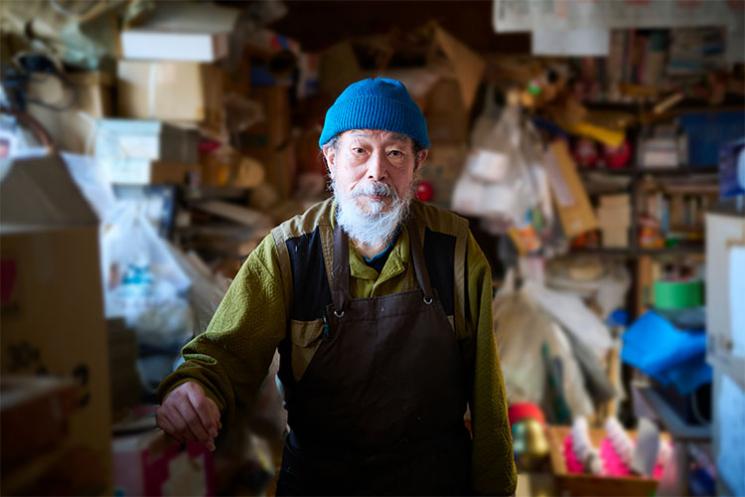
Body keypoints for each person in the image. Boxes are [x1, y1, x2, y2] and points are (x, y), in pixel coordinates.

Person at [156, 77, 516, 496]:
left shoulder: (454, 249)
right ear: (330, 158)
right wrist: (194, 386)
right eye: (360, 150)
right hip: (321, 482)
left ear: (419, 163)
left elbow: (487, 394)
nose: (376, 171)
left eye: (396, 153)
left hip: (432, 482)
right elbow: (227, 354)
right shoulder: (288, 253)